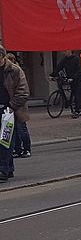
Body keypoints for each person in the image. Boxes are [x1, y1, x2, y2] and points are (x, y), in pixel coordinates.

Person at [1, 48, 30, 177]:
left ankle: (3, 169)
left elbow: (23, 92)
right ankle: (9, 168)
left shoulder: (14, 70)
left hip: (9, 111)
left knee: (5, 140)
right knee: (3, 141)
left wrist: (11, 106)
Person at [52, 49, 81, 116]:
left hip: (78, 79)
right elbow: (59, 67)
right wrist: (53, 75)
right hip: (71, 79)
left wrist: (73, 78)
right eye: (63, 51)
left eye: (65, 51)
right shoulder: (65, 59)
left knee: (77, 94)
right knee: (74, 92)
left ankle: (78, 110)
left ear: (69, 51)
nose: (64, 53)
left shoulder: (76, 59)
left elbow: (79, 70)